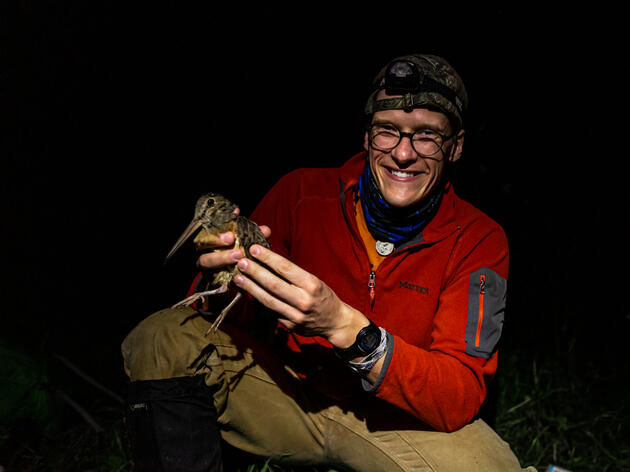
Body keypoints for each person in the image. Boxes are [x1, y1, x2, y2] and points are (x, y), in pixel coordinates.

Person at [121, 53, 535, 471]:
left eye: (427, 136)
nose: (404, 154)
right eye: (388, 131)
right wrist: (222, 278)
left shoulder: (479, 239)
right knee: (162, 337)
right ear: (367, 135)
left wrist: (346, 329)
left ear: (456, 146)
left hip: (399, 423)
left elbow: (460, 393)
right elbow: (224, 320)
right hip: (287, 396)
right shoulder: (301, 193)